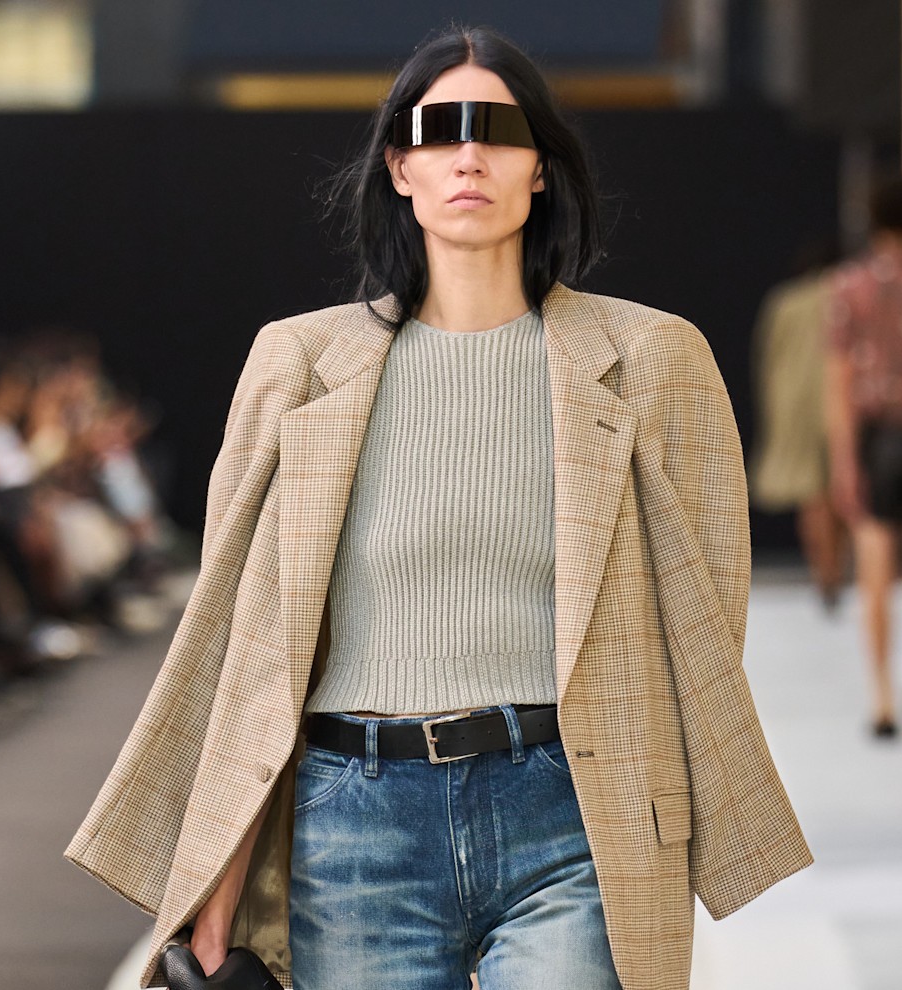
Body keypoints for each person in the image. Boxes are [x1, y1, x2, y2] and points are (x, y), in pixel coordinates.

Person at [66, 25, 811, 990]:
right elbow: (248, 644)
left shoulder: (652, 360)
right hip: (357, 821)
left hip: (572, 808)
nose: (470, 153)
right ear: (399, 167)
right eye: (440, 130)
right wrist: (218, 884)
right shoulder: (298, 365)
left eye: (499, 130)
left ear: (540, 167)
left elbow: (709, 609)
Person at [826, 174, 902, 741]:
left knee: (874, 564)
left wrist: (843, 460)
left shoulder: (850, 286)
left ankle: (881, 699)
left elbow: (839, 380)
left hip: (876, 435)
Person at [749, 239, 847, 612]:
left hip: (795, 403)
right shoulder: (846, 293)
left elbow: (769, 356)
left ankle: (825, 574)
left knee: (812, 495)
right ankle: (840, 569)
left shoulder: (785, 301)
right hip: (842, 399)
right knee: (845, 492)